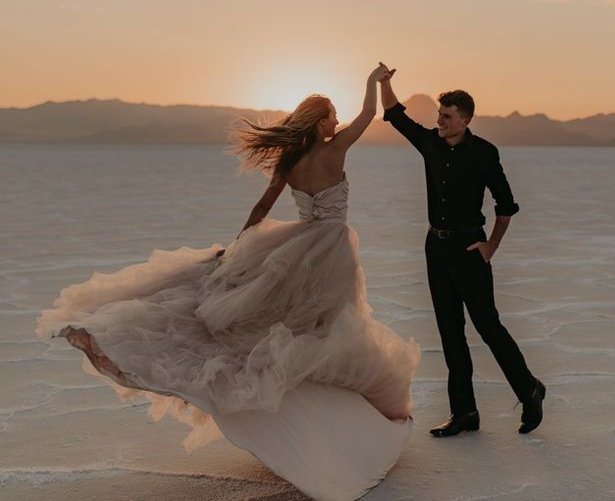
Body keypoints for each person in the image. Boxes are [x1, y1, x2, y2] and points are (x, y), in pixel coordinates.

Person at [36, 66, 419, 501]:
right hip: (329, 250)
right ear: (319, 123)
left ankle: (317, 422)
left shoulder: (291, 162)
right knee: (321, 333)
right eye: (331, 117)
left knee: (293, 333)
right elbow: (371, 113)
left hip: (292, 248)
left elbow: (261, 207)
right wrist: (375, 81)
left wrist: (238, 248)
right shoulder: (336, 150)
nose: (337, 123)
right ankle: (329, 436)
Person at [378, 66, 545, 437]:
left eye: (448, 116)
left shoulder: (484, 153)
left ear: (466, 119)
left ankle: (529, 389)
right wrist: (384, 82)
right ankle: (465, 413)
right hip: (435, 247)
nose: (440, 120)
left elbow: (506, 205)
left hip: (470, 248)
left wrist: (491, 247)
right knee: (450, 331)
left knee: (488, 326)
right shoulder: (430, 143)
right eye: (439, 114)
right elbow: (394, 115)